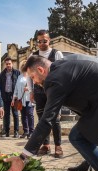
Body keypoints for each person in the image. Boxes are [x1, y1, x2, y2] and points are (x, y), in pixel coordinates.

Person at [31, 29, 64, 158]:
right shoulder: (33, 56)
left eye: (45, 40)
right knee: (41, 119)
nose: (42, 43)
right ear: (37, 42)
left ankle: (58, 145)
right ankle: (46, 145)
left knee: (55, 119)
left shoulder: (57, 54)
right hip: (38, 91)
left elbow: (62, 73)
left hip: (53, 92)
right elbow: (29, 75)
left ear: (49, 40)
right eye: (40, 41)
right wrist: (31, 91)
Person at [0, 57, 20, 138]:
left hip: (14, 96)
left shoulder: (17, 72)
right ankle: (6, 131)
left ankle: (16, 131)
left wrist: (17, 95)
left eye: (9, 64)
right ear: (5, 64)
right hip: (5, 96)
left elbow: (19, 84)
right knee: (6, 114)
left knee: (15, 114)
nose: (8, 65)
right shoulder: (2, 73)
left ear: (12, 64)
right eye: (7, 64)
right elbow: (0, 85)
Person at [12, 61, 34, 139]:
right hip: (21, 99)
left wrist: (28, 88)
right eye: (22, 66)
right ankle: (26, 131)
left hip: (29, 98)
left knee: (30, 114)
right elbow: (16, 88)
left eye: (25, 65)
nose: (24, 67)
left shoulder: (31, 76)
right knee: (23, 116)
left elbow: (35, 86)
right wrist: (14, 98)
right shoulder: (19, 77)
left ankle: (31, 132)